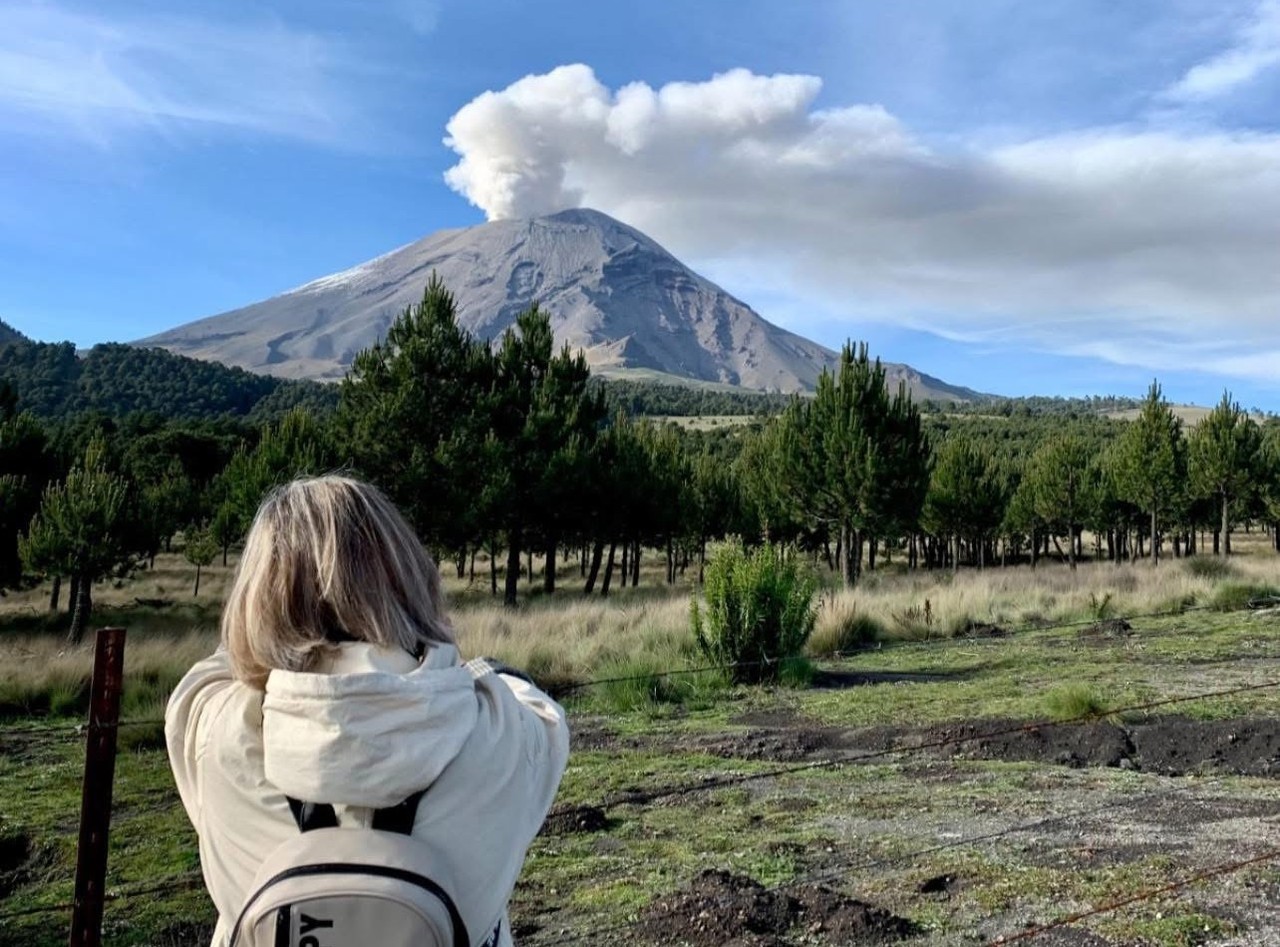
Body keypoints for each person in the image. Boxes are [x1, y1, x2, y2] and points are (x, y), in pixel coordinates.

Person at [165, 476, 569, 946]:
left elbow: (205, 678)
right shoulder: (502, 738)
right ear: (413, 578)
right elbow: (539, 710)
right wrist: (445, 656)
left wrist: (272, 623)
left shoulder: (219, 736)